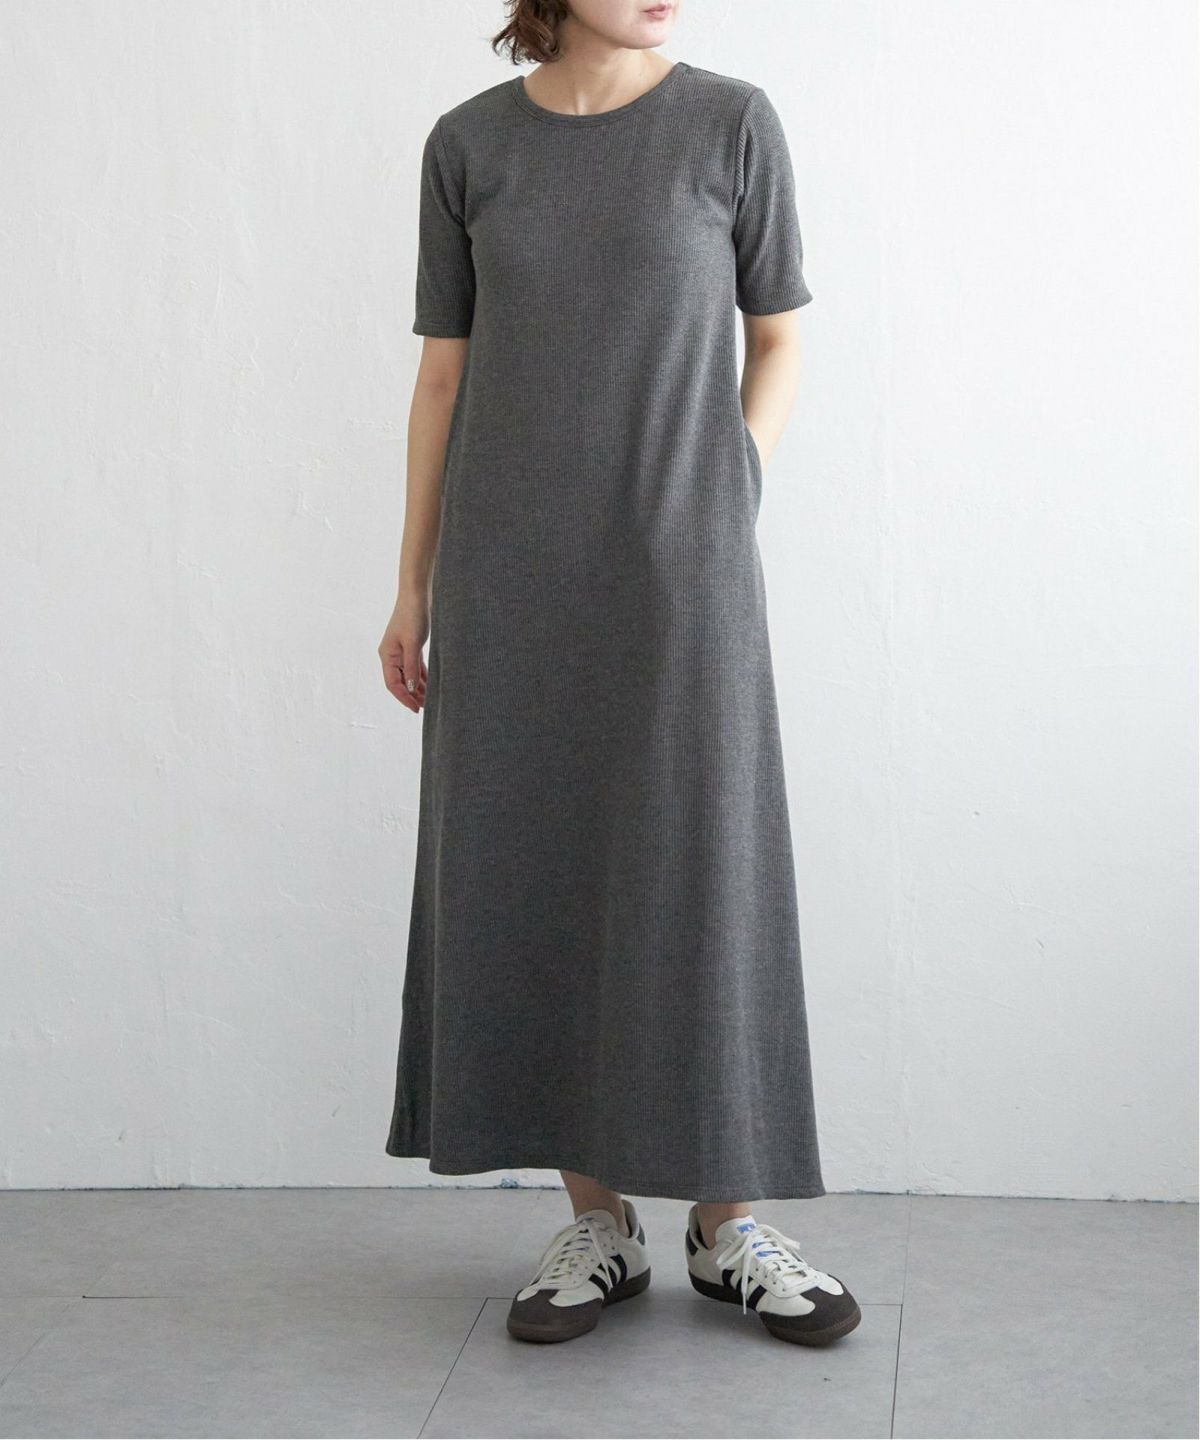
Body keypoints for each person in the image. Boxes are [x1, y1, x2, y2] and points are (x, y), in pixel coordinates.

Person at [379, 0, 860, 1347]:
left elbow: (780, 336)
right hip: (510, 565)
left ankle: (728, 1223)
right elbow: (441, 379)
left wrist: (727, 484)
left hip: (682, 558)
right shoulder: (469, 146)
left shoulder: (730, 124)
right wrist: (412, 584)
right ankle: (597, 1223)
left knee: (703, 861)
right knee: (533, 859)